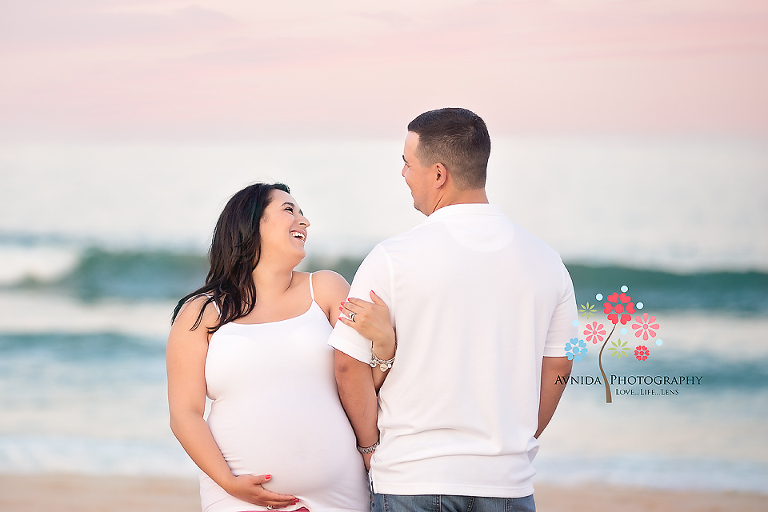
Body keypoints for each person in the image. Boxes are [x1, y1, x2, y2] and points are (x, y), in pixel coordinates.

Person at [330, 108, 577, 512]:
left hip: (413, 479)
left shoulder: (392, 258)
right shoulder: (547, 261)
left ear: (439, 174)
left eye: (408, 164)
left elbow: (347, 365)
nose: (403, 174)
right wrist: (517, 440)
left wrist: (369, 445)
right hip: (509, 486)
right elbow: (560, 368)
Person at [166, 182, 394, 512]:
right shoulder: (201, 313)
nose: (304, 221)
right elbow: (184, 414)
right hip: (237, 496)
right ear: (251, 223)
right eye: (289, 210)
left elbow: (360, 382)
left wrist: (385, 346)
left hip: (338, 495)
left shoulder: (327, 289)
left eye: (302, 213)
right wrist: (229, 483)